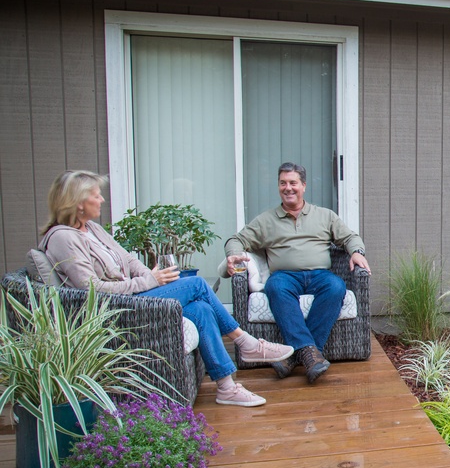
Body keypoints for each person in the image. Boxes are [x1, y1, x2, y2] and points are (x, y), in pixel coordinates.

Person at [40, 171, 293, 408]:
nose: (102, 199)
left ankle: (226, 387)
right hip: (113, 309)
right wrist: (149, 282)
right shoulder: (64, 238)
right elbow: (92, 290)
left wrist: (149, 275)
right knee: (196, 284)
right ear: (79, 202)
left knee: (201, 308)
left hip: (133, 296)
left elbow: (128, 260)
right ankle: (246, 342)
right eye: (96, 195)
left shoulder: (92, 229)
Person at [224, 162, 371, 384]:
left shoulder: (324, 216)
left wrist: (357, 252)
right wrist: (234, 254)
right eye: (283, 183)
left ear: (303, 185)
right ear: (278, 186)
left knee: (336, 286)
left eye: (293, 183)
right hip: (285, 276)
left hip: (319, 275)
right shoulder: (266, 220)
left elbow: (349, 237)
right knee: (275, 286)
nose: (288, 188)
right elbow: (236, 240)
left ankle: (294, 355)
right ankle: (311, 353)